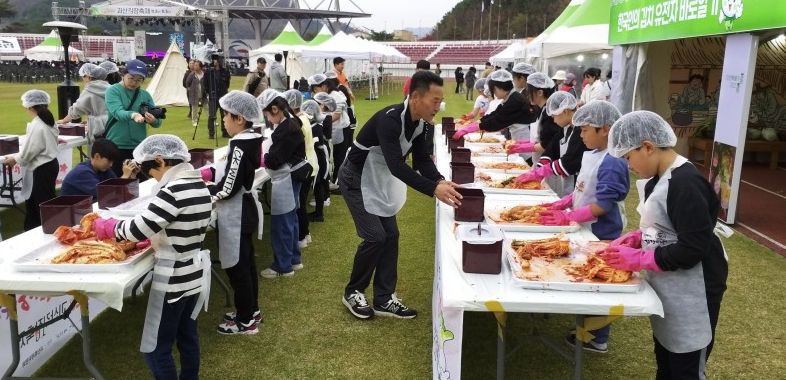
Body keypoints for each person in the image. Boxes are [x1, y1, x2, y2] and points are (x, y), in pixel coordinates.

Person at [600, 110, 728, 379]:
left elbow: (692, 248)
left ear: (647, 147)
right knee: (666, 355)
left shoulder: (685, 183)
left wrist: (638, 260)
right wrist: (638, 237)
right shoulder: (657, 178)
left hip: (695, 288)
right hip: (671, 283)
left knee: (686, 363)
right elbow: (663, 224)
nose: (628, 165)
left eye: (628, 158)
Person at [339, 70, 462, 320]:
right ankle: (353, 291)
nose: (438, 107)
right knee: (375, 236)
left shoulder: (422, 126)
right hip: (355, 179)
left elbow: (422, 161)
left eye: (440, 101)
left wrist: (439, 180)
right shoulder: (390, 119)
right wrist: (432, 189)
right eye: (435, 101)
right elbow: (397, 164)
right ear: (416, 97)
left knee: (391, 235)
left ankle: (384, 298)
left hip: (378, 180)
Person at [91, 134, 212, 379]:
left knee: (154, 348)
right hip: (195, 271)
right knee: (187, 336)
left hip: (174, 277)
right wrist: (158, 236)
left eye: (150, 171)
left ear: (160, 159)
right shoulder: (196, 181)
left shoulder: (174, 189)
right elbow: (181, 222)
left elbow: (136, 229)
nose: (152, 176)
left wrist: (109, 227)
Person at [534, 101, 628, 354]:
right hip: (584, 224)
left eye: (585, 130)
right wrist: (562, 204)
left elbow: (603, 204)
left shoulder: (612, 161)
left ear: (605, 130)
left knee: (598, 281)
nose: (581, 135)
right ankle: (586, 326)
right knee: (585, 275)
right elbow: (582, 189)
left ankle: (597, 337)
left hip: (602, 230)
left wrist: (569, 217)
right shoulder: (593, 153)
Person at [199, 91, 264, 334]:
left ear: (239, 118)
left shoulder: (240, 144)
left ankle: (245, 321)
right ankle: (251, 310)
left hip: (236, 214)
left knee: (237, 268)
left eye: (225, 115)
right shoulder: (249, 139)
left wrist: (207, 194)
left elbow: (229, 185)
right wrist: (210, 176)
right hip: (243, 210)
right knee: (245, 265)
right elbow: (231, 173)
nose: (222, 120)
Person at [257, 89, 309, 278]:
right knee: (291, 220)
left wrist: (263, 155)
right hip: (293, 176)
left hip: (287, 178)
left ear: (275, 109)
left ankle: (282, 266)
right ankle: (294, 259)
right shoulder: (292, 122)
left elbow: (275, 159)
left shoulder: (286, 129)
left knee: (282, 223)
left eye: (268, 115)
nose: (268, 120)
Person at [515, 89, 589, 197]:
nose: (554, 121)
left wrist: (541, 172)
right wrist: (539, 169)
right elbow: (551, 149)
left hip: (579, 183)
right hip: (567, 182)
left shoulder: (580, 132)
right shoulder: (566, 128)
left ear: (565, 111)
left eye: (554, 116)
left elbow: (569, 162)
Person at [2, 90, 59, 230]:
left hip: (42, 167)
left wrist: (15, 159)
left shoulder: (38, 124)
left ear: (29, 107)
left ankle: (46, 231)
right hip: (47, 165)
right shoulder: (46, 121)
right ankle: (38, 229)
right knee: (39, 203)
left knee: (41, 204)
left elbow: (30, 150)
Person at [104, 59, 162, 177]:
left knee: (140, 181)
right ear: (123, 75)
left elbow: (158, 120)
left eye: (139, 80)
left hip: (139, 147)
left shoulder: (145, 95)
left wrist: (154, 120)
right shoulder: (113, 90)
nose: (134, 83)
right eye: (131, 78)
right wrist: (134, 115)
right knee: (119, 181)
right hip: (117, 144)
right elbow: (117, 112)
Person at [453, 70, 537, 150]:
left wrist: (475, 127)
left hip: (526, 137)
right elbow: (495, 114)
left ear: (498, 87)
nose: (494, 93)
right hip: (519, 136)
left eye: (494, 90)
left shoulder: (514, 100)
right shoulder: (510, 98)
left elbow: (497, 121)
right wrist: (478, 122)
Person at [283, 89, 318, 248]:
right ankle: (306, 233)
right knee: (301, 201)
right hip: (310, 162)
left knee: (300, 203)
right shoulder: (303, 117)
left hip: (304, 165)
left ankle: (302, 235)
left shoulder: (298, 120)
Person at [506, 72, 559, 165]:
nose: (527, 95)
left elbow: (545, 144)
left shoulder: (549, 114)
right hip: (538, 160)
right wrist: (518, 143)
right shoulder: (540, 110)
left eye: (529, 92)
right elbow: (538, 139)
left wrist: (519, 148)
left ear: (540, 93)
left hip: (548, 163)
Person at [61, 138, 138, 199]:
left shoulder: (103, 169)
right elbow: (106, 193)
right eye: (109, 161)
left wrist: (132, 175)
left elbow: (119, 191)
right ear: (97, 156)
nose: (111, 165)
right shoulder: (82, 173)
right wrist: (124, 176)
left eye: (112, 161)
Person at [57, 63, 109, 152]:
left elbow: (77, 109)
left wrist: (64, 120)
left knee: (97, 155)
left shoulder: (90, 89)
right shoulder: (110, 88)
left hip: (98, 127)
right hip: (112, 124)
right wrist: (90, 118)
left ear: (88, 76)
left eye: (83, 77)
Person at [310, 74, 349, 189]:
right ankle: (334, 179)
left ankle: (339, 183)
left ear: (324, 85)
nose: (315, 92)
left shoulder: (335, 96)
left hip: (340, 128)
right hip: (332, 128)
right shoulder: (324, 95)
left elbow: (336, 115)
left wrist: (319, 120)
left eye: (316, 89)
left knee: (339, 156)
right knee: (333, 154)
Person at [301, 99, 331, 223]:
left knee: (317, 185)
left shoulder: (316, 127)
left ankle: (319, 213)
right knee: (318, 185)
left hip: (318, 160)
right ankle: (319, 212)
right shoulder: (315, 125)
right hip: (318, 159)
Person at [310, 91, 337, 215]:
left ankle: (325, 198)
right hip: (324, 147)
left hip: (323, 148)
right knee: (324, 174)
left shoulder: (324, 117)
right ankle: (325, 197)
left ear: (321, 105)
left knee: (323, 175)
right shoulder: (326, 116)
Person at [203, 55, 231, 138]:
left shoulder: (225, 71)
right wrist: (208, 92)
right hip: (213, 96)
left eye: (216, 60)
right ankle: (211, 133)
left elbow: (227, 84)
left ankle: (225, 131)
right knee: (212, 115)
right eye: (213, 60)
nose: (214, 61)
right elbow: (205, 83)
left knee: (224, 115)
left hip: (223, 96)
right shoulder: (208, 72)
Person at [184, 61, 205, 128]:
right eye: (194, 65)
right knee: (194, 108)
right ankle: (194, 121)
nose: (194, 66)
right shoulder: (192, 74)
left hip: (203, 93)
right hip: (194, 94)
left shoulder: (203, 74)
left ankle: (212, 121)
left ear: (200, 66)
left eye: (196, 65)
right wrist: (190, 89)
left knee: (207, 107)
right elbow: (187, 82)